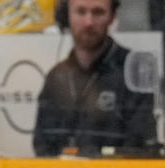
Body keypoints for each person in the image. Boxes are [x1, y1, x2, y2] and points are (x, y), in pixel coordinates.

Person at [33, 0, 158, 157]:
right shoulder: (56, 76)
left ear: (112, 17)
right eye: (80, 12)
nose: (89, 22)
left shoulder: (133, 70)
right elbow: (42, 146)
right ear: (66, 16)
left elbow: (141, 147)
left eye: (98, 12)